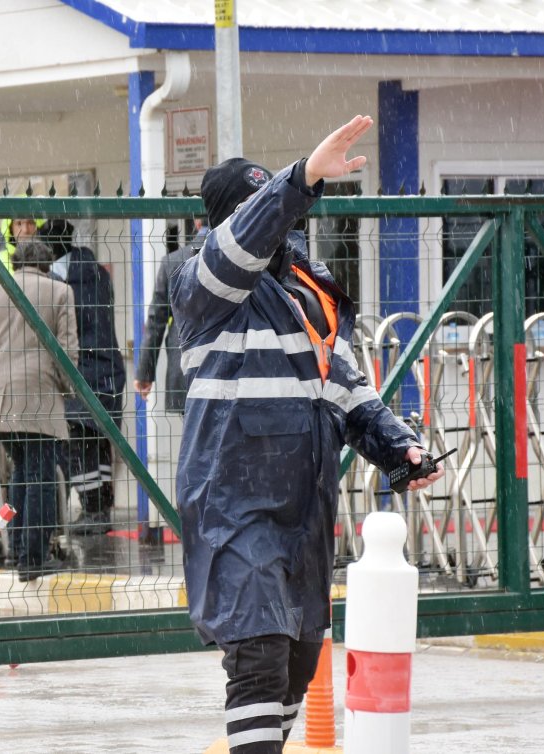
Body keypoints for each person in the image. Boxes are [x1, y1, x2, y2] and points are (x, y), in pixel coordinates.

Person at [171, 116, 445, 753]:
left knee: (297, 660)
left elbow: (348, 388)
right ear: (221, 221)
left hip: (305, 508)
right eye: (253, 210)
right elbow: (236, 244)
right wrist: (301, 180)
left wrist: (398, 447)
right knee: (259, 652)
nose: (272, 223)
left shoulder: (307, 290)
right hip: (233, 506)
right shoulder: (203, 284)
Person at [0, 240, 78, 581]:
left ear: (14, 263)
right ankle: (33, 558)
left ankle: (18, 550)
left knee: (18, 472)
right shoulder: (60, 292)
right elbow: (67, 350)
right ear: (47, 264)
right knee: (42, 475)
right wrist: (66, 387)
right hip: (40, 391)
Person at [39, 219, 125, 535]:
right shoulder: (97, 272)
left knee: (80, 444)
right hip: (108, 365)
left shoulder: (58, 281)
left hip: (79, 368)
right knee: (99, 439)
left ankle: (92, 511)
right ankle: (101, 507)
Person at [134, 240, 190, 414]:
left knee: (194, 435)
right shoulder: (240, 254)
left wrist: (144, 372)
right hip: (233, 369)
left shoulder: (174, 261)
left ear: (196, 222)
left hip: (185, 368)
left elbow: (156, 321)